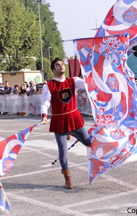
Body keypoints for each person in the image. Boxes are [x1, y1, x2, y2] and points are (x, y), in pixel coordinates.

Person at [41, 57, 91, 189]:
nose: (61, 66)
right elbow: (45, 103)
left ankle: (73, 132)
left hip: (74, 117)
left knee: (88, 143)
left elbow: (88, 84)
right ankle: (67, 177)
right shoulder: (49, 86)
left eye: (62, 64)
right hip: (59, 121)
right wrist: (44, 116)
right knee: (62, 152)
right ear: (53, 70)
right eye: (58, 65)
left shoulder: (73, 80)